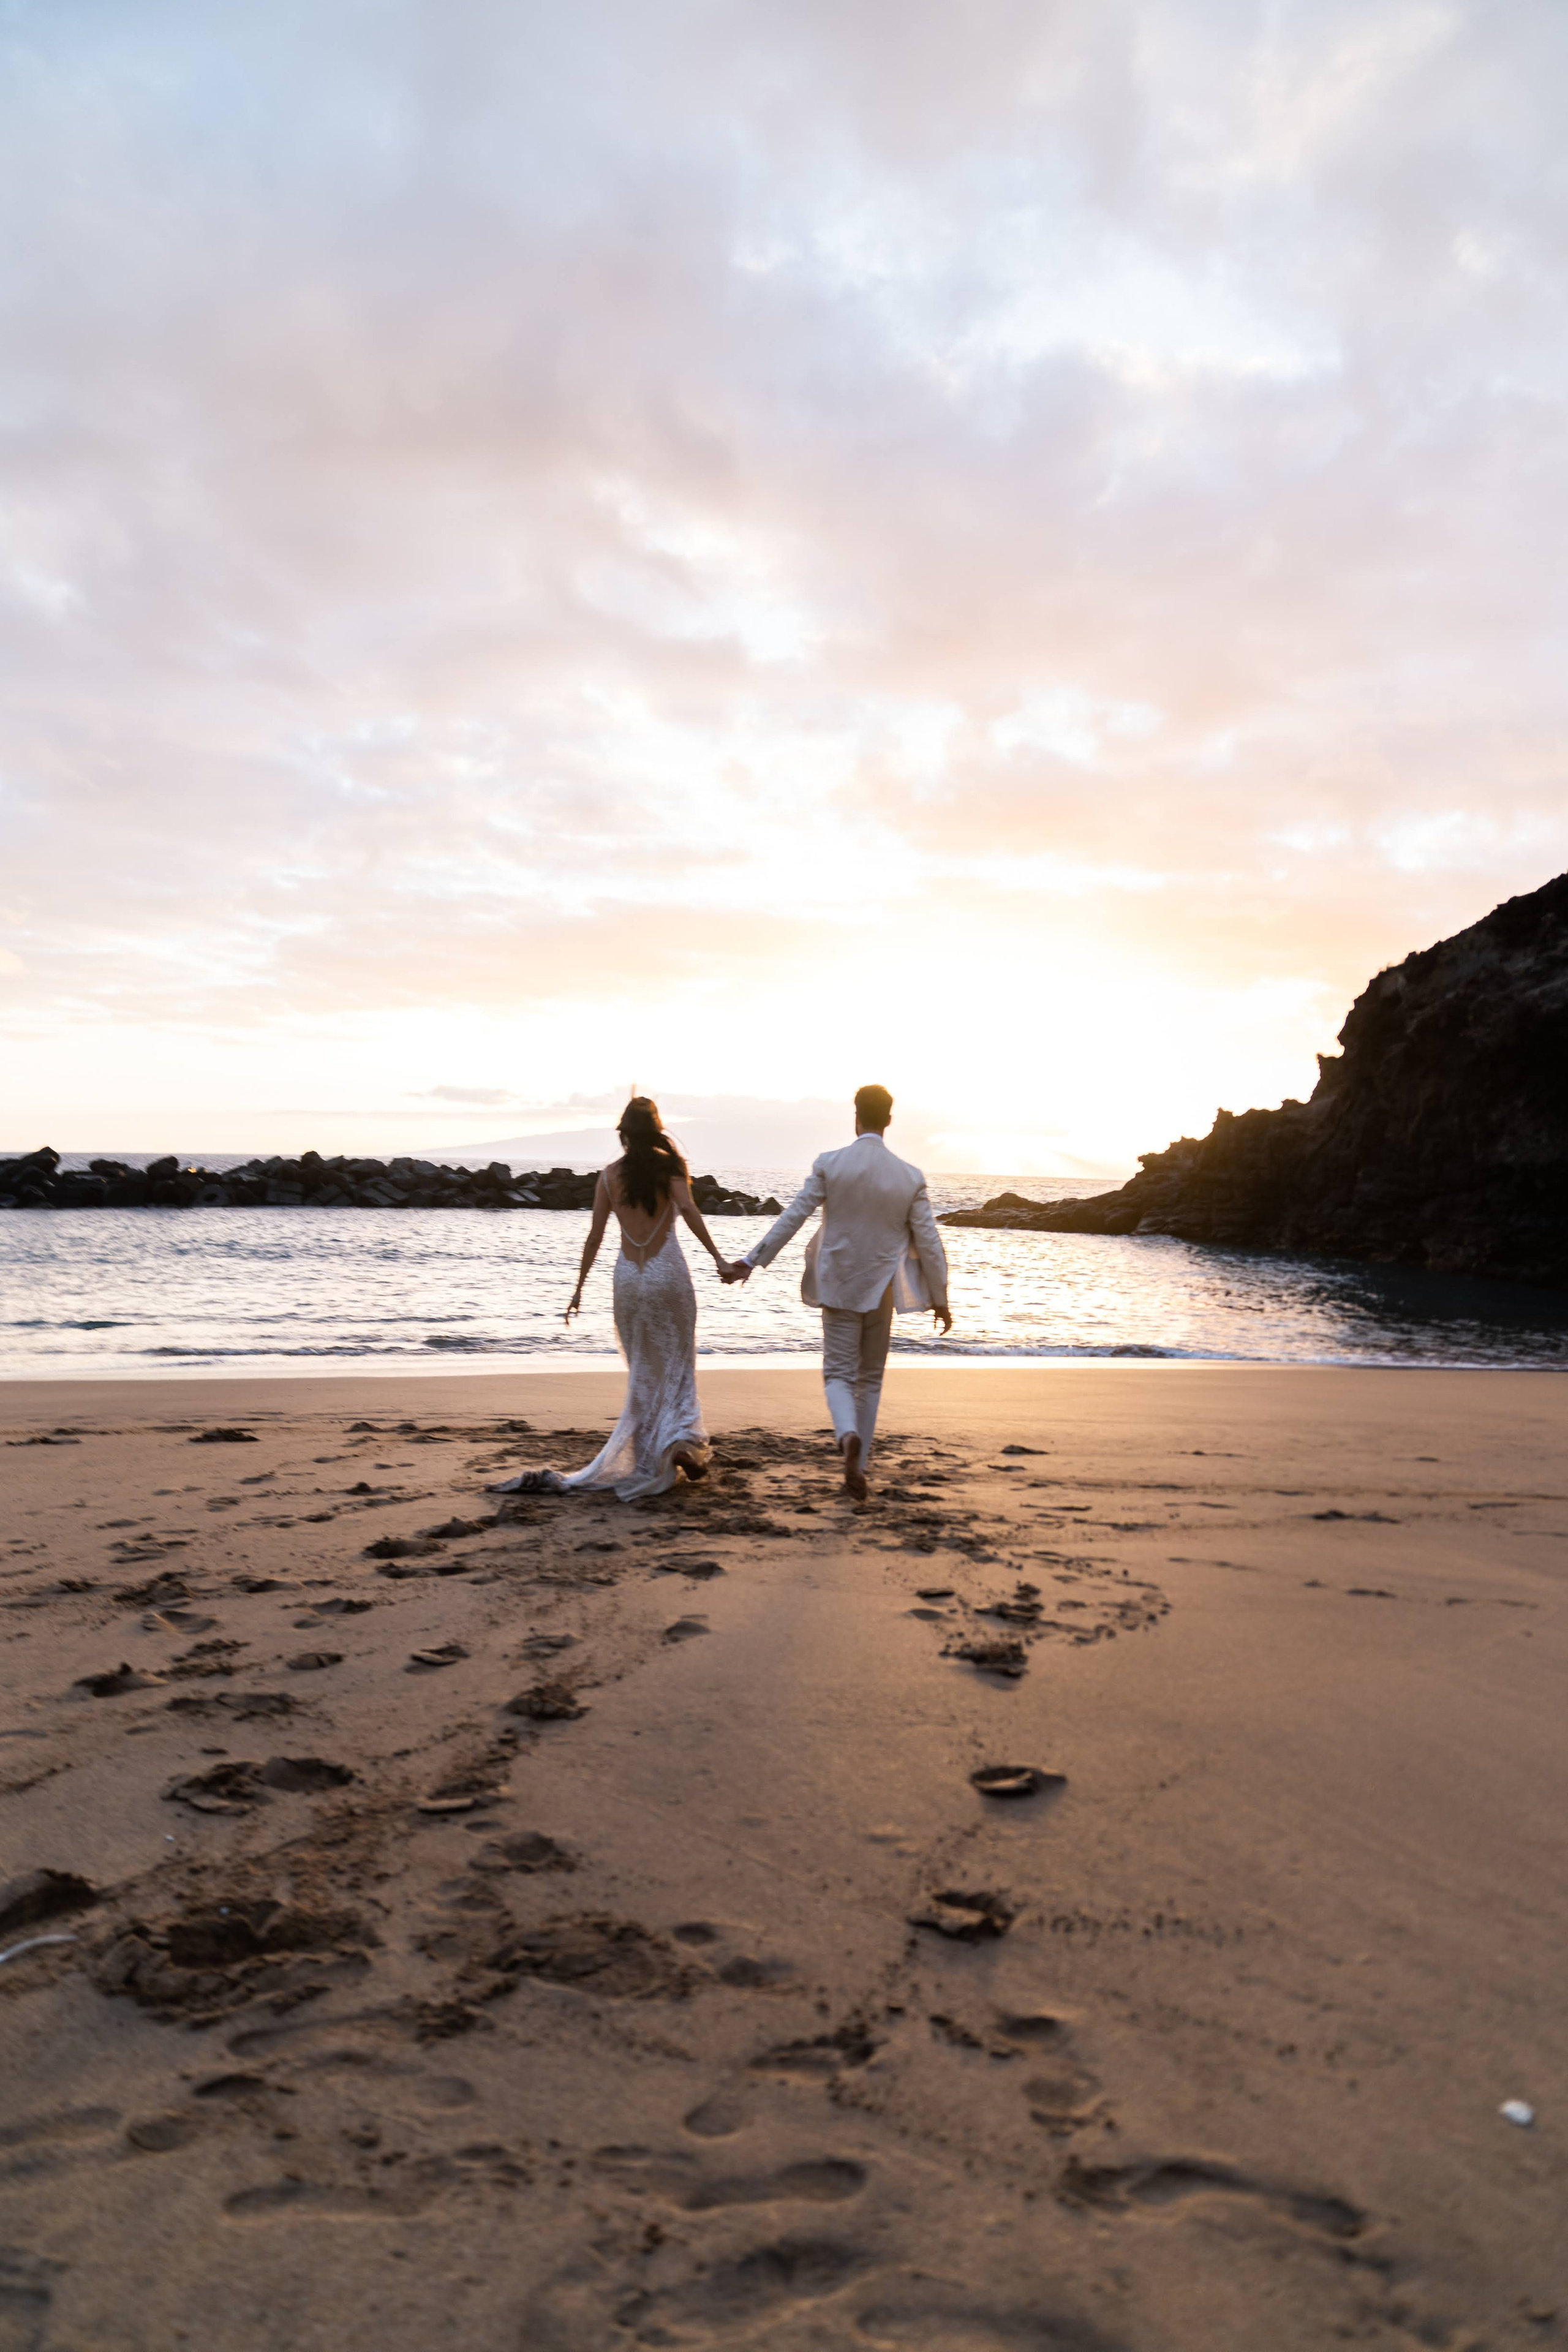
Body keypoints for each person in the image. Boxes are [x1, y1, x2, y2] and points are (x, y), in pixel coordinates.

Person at [489, 1098, 742, 1501]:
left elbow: (595, 1236)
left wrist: (578, 1289)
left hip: (629, 1278)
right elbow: (690, 1210)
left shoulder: (609, 1176)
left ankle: (650, 1458)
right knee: (678, 1363)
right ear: (657, 1129)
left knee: (642, 1367)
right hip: (667, 1272)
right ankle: (680, 1444)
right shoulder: (672, 1168)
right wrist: (719, 1259)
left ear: (623, 1133)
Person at [733, 1084, 951, 1499]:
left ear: (856, 1116)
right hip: (882, 1288)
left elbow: (794, 1216)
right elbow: (929, 1243)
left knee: (838, 1375)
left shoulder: (831, 1165)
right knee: (870, 1379)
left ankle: (846, 1435)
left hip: (837, 1284)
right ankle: (861, 1463)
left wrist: (752, 1260)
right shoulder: (910, 1177)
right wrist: (940, 1298)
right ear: (889, 1120)